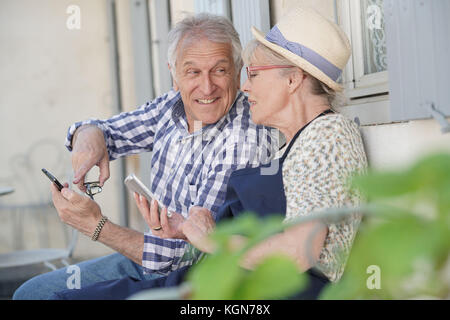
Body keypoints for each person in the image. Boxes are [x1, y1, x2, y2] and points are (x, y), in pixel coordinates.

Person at [46, 6, 368, 300]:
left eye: (252, 74)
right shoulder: (299, 139)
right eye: (192, 72)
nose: (245, 87)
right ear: (174, 73)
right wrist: (189, 227)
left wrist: (205, 239)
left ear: (293, 80)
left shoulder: (326, 134)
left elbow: (299, 253)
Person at [12, 13, 276, 300]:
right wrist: (88, 137)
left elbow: (185, 258)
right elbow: (107, 130)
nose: (207, 87)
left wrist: (96, 226)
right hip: (147, 260)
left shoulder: (244, 137)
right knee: (31, 292)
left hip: (191, 281)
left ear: (238, 72)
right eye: (192, 72)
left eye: (219, 70)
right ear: (173, 74)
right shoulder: (172, 106)